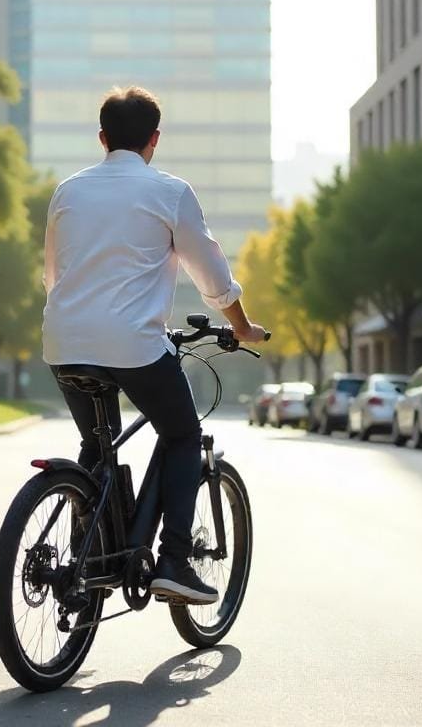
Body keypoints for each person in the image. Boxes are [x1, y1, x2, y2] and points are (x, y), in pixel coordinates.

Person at [42, 85, 267, 605]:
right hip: (134, 345)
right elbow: (212, 277)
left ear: (102, 138)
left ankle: (88, 558)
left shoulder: (67, 191)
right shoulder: (170, 192)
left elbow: (53, 275)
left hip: (64, 340)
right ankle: (174, 560)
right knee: (183, 435)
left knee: (96, 447)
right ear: (154, 140)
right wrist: (241, 325)